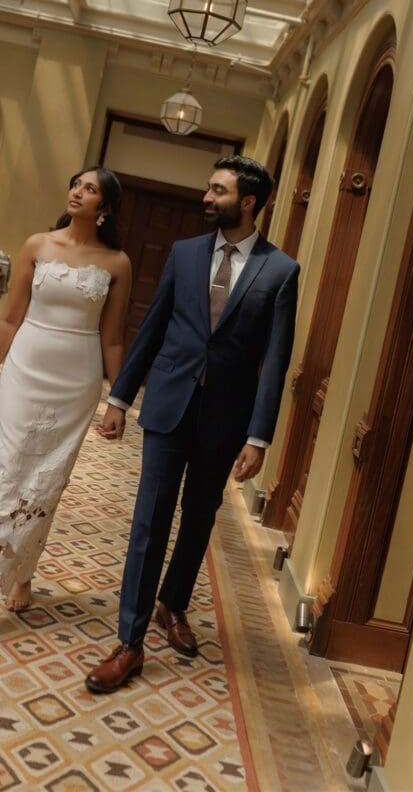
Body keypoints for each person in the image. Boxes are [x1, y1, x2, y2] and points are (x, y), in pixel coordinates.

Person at [85, 155, 299, 692]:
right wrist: (119, 397)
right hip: (168, 404)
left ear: (247, 202)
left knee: (199, 517)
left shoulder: (281, 271)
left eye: (217, 190)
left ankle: (172, 606)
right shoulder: (183, 254)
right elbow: (154, 326)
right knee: (149, 521)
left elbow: (275, 359)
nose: (206, 197)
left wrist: (259, 435)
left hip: (226, 420)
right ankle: (129, 642)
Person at [0, 166, 131, 650]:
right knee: (6, 478)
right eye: (76, 183)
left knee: (46, 485)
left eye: (90, 188)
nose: (77, 191)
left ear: (106, 207)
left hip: (76, 383)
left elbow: (112, 338)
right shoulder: (37, 245)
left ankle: (23, 570)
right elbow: (9, 320)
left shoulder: (117, 263)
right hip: (25, 373)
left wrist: (119, 399)